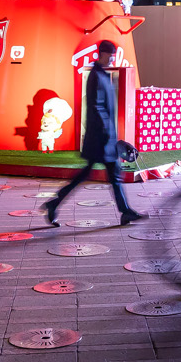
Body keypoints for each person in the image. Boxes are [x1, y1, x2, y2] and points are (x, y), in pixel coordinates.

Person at [44, 39, 143, 227]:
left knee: (110, 175)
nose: (113, 59)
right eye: (111, 55)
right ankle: (54, 203)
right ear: (102, 54)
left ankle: (125, 211)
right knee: (96, 175)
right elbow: (97, 106)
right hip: (100, 139)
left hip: (105, 138)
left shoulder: (102, 75)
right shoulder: (96, 76)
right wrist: (107, 133)